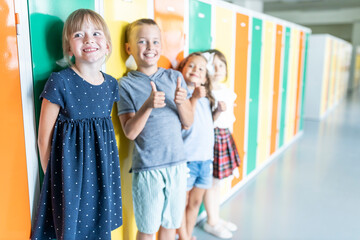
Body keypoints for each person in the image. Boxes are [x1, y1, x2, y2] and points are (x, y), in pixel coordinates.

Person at [31, 9, 122, 240]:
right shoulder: (60, 81)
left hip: (100, 172)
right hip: (69, 177)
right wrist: (56, 182)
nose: (89, 39)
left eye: (96, 33)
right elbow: (44, 140)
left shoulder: (111, 84)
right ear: (70, 48)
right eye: (79, 34)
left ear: (108, 45)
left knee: (96, 229)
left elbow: (102, 135)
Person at [117, 18, 194, 240]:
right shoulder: (125, 85)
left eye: (155, 41)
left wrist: (182, 102)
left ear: (161, 45)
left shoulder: (174, 77)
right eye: (142, 41)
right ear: (129, 48)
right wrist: (148, 106)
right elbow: (130, 132)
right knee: (148, 228)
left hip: (178, 164)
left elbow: (188, 122)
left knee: (171, 225)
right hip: (148, 168)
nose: (150, 47)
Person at [202, 49, 241, 239]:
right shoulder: (206, 93)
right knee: (211, 183)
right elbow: (205, 121)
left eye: (221, 65)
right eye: (214, 65)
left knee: (217, 183)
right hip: (212, 138)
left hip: (224, 136)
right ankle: (212, 222)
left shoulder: (225, 91)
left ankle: (215, 218)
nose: (218, 69)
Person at [177, 52, 216, 240]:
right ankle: (183, 237)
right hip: (187, 159)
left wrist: (218, 111)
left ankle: (189, 233)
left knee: (195, 202)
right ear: (182, 69)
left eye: (201, 68)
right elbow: (187, 122)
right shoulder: (181, 93)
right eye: (191, 65)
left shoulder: (207, 97)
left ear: (205, 76)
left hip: (205, 159)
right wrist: (195, 96)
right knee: (180, 202)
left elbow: (207, 124)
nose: (195, 70)